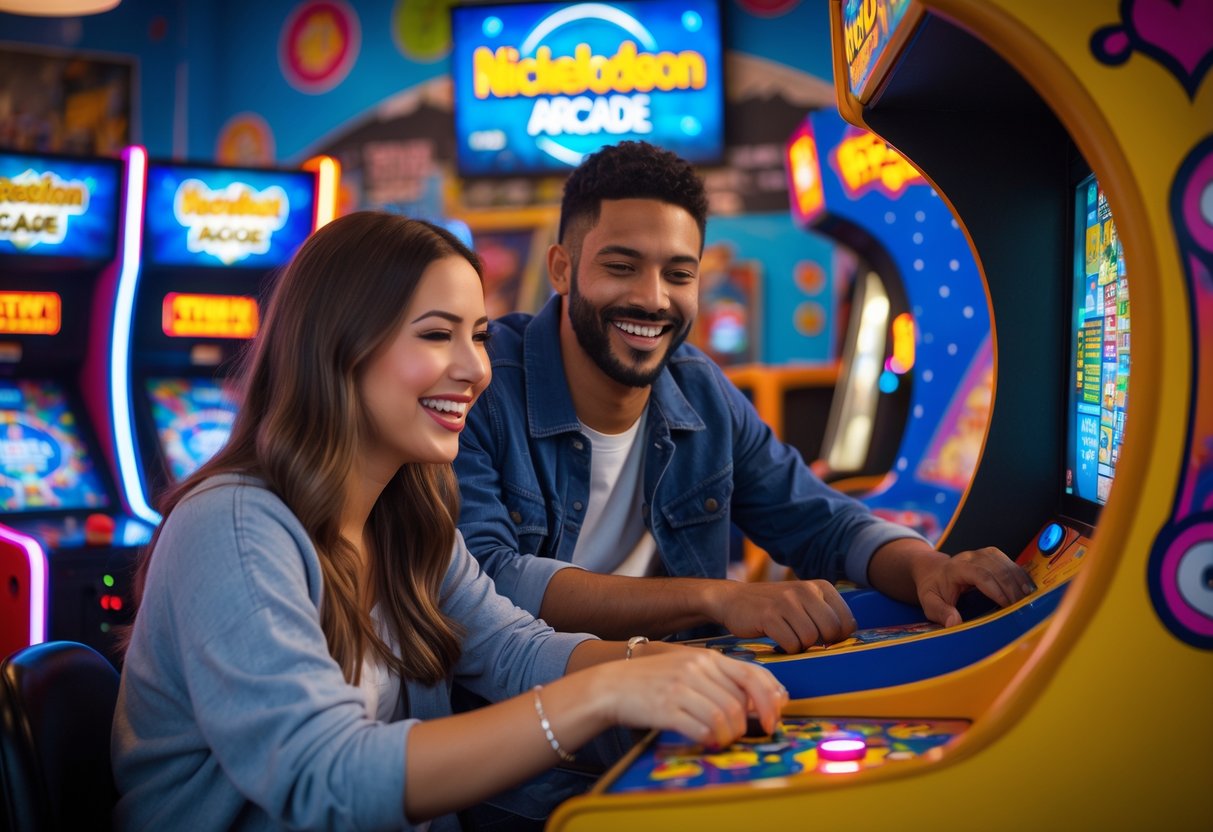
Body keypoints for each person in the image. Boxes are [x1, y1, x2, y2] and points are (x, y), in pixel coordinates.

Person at [111, 211, 787, 832]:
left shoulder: (406, 516)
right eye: (437, 335)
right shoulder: (233, 527)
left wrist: (671, 666)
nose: (475, 370)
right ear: (339, 349)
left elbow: (515, 652)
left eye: (479, 337)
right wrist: (603, 694)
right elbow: (324, 776)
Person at [454, 140, 1036, 652]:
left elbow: (821, 522)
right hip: (527, 732)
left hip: (671, 713)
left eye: (679, 274)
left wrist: (928, 567)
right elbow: (490, 581)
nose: (654, 299)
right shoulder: (479, 384)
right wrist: (721, 599)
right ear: (561, 268)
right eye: (622, 266)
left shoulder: (700, 391)